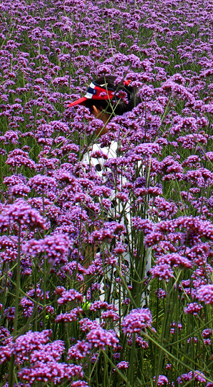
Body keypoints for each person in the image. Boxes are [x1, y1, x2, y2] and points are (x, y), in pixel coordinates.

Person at [68, 77, 145, 305]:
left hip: (107, 262)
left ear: (97, 112)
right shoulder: (140, 151)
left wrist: (81, 280)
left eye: (88, 113)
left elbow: (90, 220)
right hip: (138, 258)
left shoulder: (95, 156)